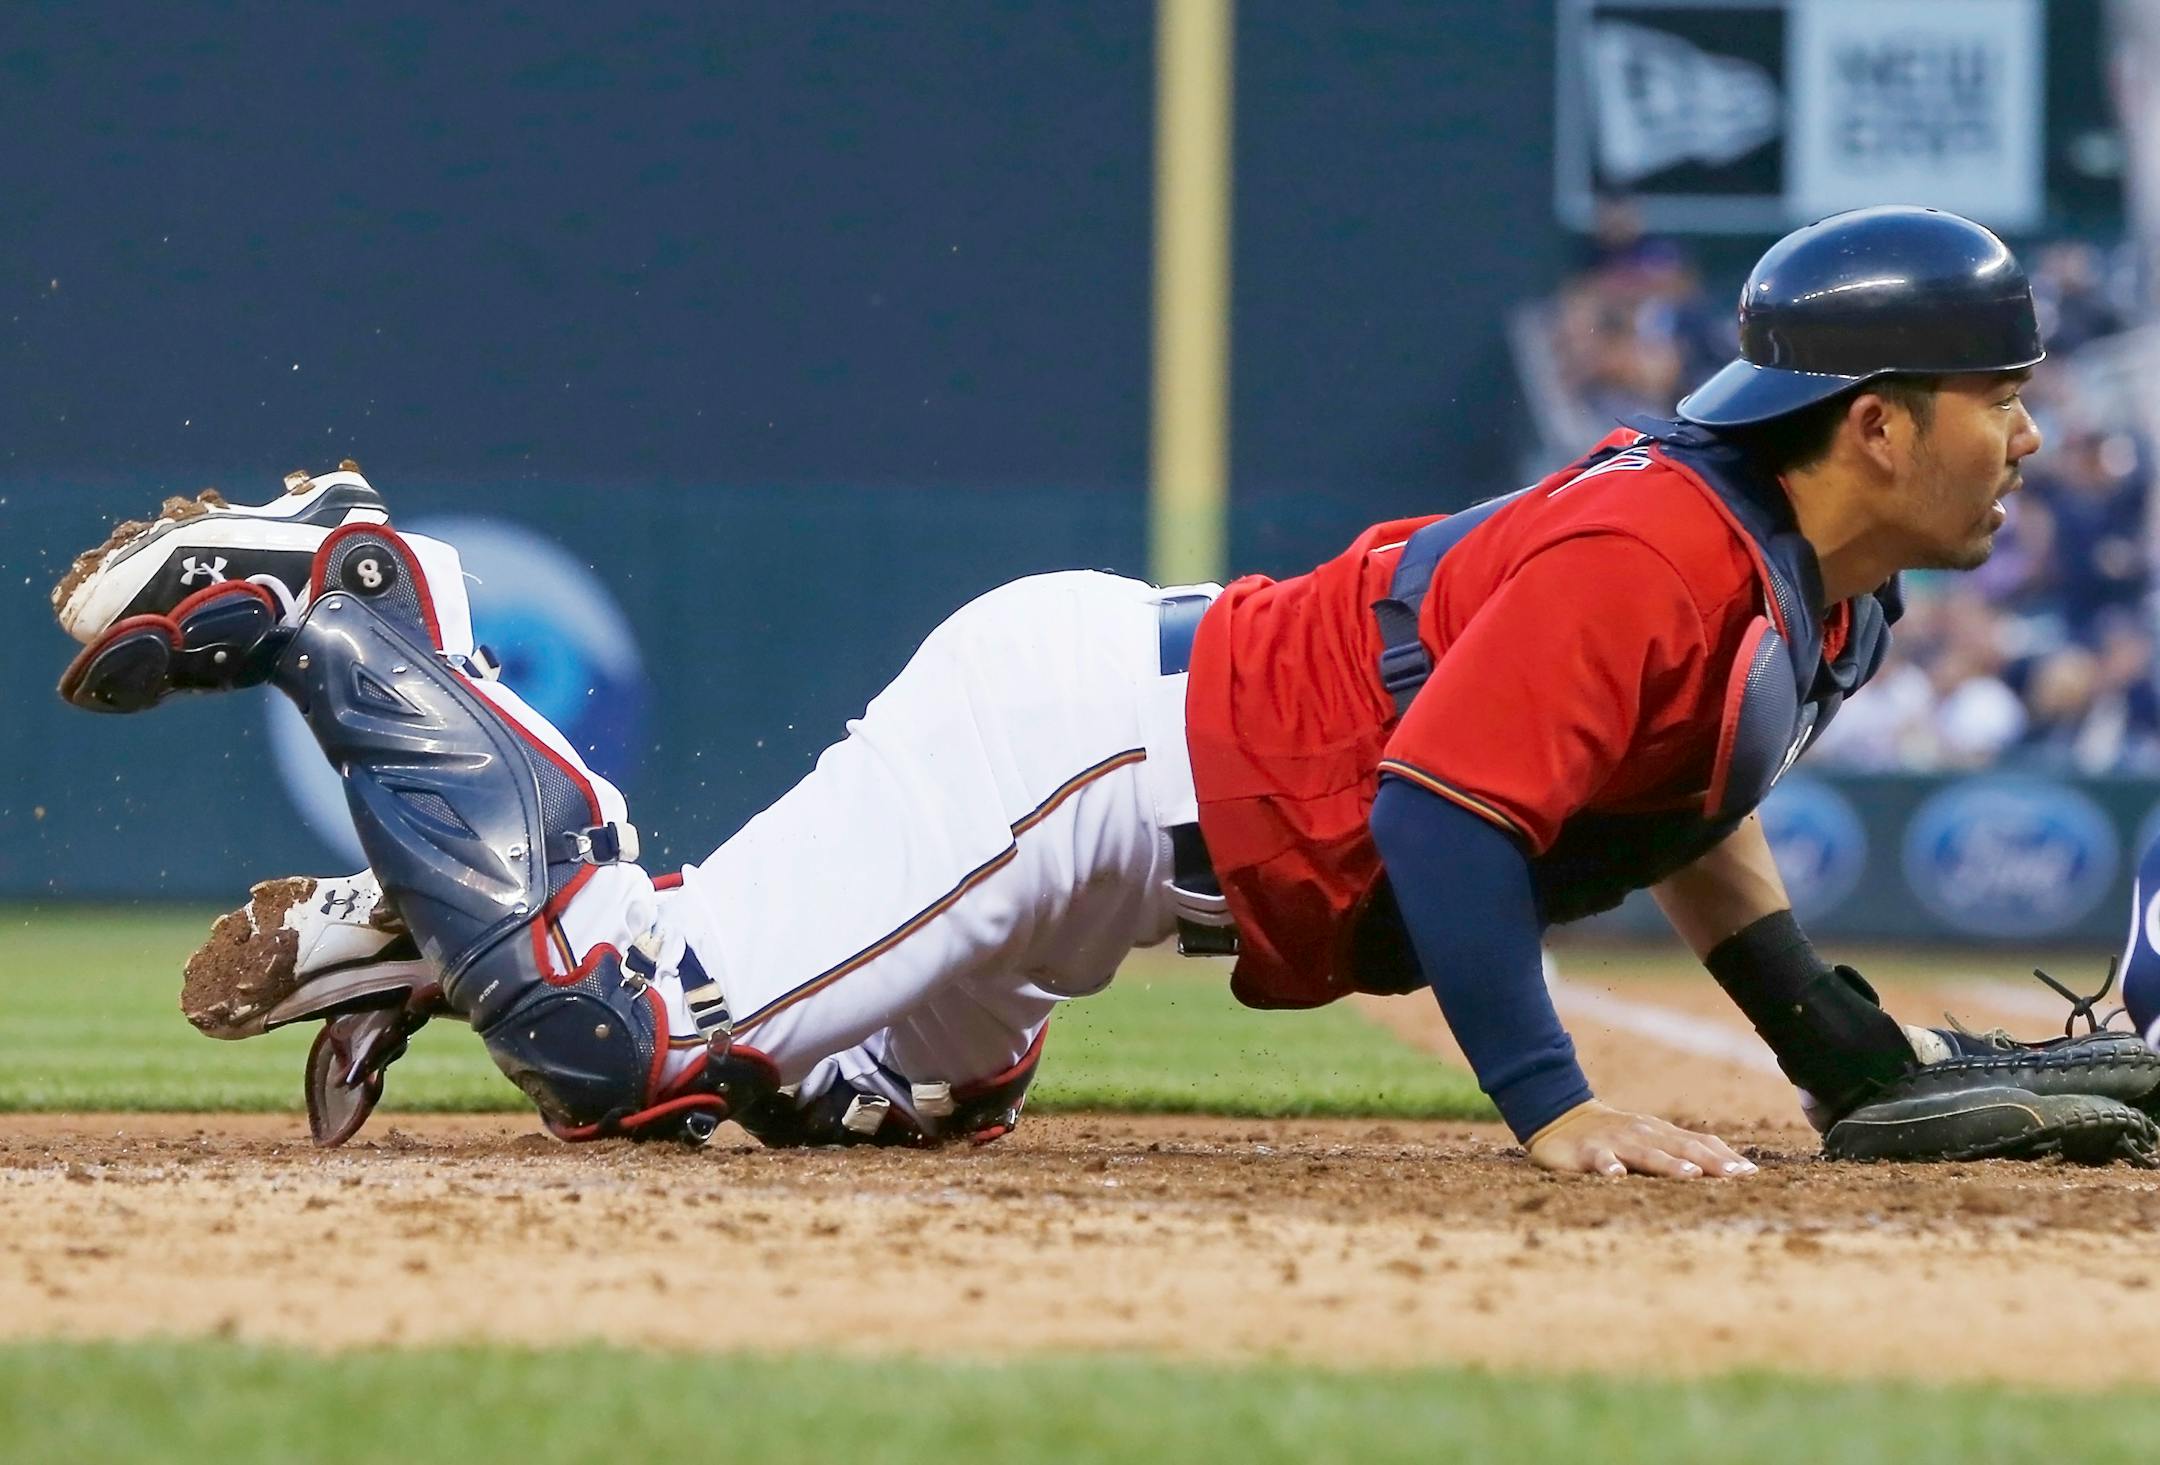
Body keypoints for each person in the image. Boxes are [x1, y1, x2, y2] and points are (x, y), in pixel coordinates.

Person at [53, 207, 2155, 1174]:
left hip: (1131, 834)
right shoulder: (1664, 546)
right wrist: (1558, 1105)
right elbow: (1441, 812)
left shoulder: (1804, 589)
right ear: (1873, 424)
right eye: (1997, 395)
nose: (2029, 434)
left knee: (882, 1110)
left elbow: (1683, 803)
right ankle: (351, 599)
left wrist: (1838, 1054)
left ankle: (432, 927)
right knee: (630, 1055)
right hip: (1076, 759)